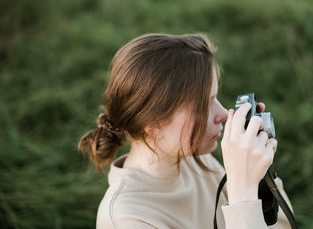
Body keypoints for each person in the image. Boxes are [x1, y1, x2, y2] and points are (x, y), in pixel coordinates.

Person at [78, 33, 293, 229]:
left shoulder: (196, 162)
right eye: (203, 105)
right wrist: (242, 192)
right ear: (153, 123)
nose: (223, 114)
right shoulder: (126, 219)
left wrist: (258, 177)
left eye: (215, 98)